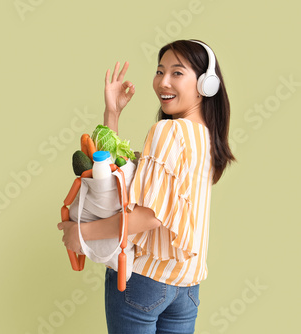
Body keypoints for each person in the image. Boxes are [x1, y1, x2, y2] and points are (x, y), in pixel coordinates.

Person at [57, 39, 236, 333]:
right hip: (188, 287)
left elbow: (150, 216)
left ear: (207, 84)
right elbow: (115, 177)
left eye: (177, 73)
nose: (162, 82)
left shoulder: (168, 130)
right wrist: (112, 114)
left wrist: (81, 233)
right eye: (159, 71)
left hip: (144, 280)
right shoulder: (208, 138)